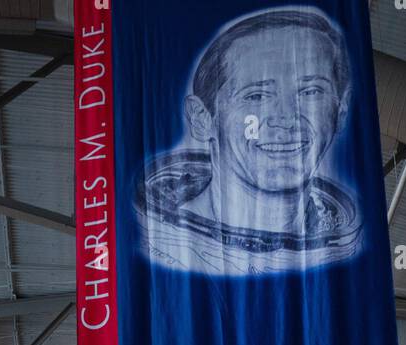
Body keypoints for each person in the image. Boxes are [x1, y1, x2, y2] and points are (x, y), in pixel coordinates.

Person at [135, 7, 362, 277]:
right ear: (202, 118)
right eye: (256, 96)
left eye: (311, 91)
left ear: (342, 110)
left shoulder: (348, 253)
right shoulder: (150, 246)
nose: (286, 118)